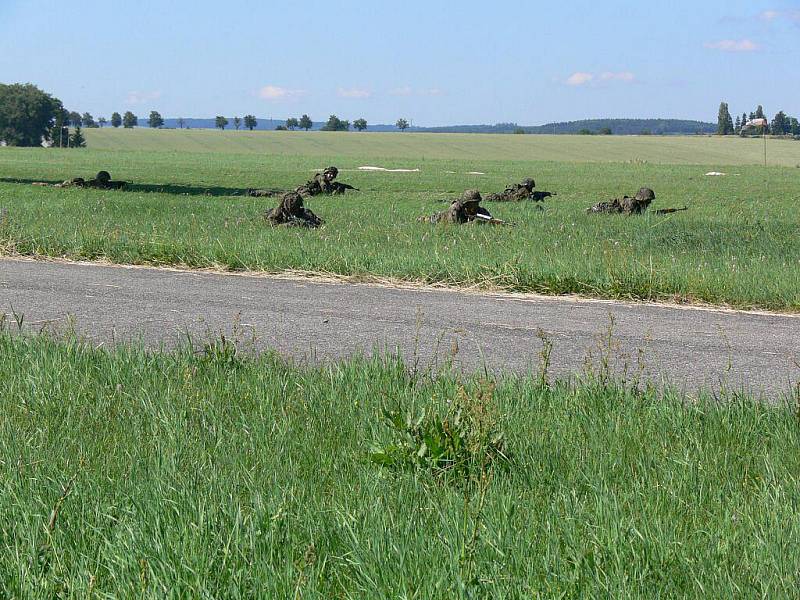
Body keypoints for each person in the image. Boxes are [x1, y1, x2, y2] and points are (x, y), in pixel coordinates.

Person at [420, 190, 503, 224]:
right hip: (440, 219)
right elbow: (455, 225)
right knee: (430, 220)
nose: (476, 205)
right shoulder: (455, 209)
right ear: (466, 204)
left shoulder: (479, 210)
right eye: (473, 203)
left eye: (477, 202)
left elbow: (490, 219)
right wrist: (474, 223)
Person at [587, 187, 655, 215]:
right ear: (643, 199)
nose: (650, 202)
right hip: (600, 209)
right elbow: (629, 216)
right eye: (648, 200)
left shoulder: (638, 205)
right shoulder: (632, 204)